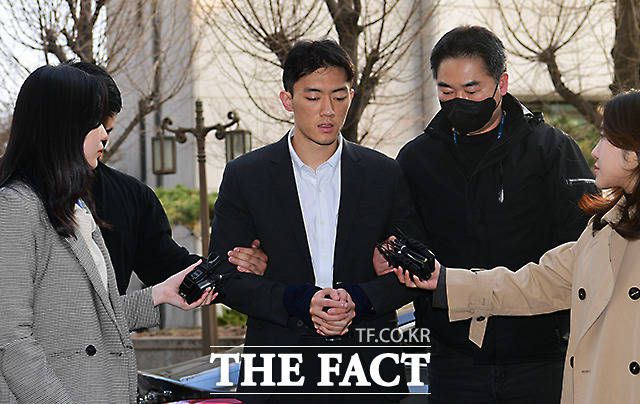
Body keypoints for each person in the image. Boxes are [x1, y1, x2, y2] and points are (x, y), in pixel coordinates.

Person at [207, 39, 426, 403]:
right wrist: (298, 301)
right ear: (287, 99)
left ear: (351, 97)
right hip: (278, 371)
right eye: (313, 97)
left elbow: (417, 269)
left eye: (339, 97)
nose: (328, 110)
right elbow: (224, 276)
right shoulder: (246, 176)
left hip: (368, 371)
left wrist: (360, 299)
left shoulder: (383, 174)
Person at [392, 89, 640, 404]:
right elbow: (536, 283)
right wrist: (444, 281)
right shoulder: (604, 228)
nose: (594, 150)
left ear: (633, 152)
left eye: (605, 138)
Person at [390, 26, 596, 403]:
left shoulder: (551, 150)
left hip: (540, 358)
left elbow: (584, 249)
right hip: (454, 361)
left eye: (472, 91)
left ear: (501, 84)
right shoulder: (417, 159)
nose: (459, 102)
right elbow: (404, 241)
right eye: (446, 92)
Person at [0, 64, 215, 403]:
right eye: (94, 122)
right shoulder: (16, 207)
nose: (104, 134)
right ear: (61, 126)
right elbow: (10, 341)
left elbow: (87, 321)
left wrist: (159, 294)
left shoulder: (76, 208)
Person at [68, 62, 267, 294]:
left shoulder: (130, 196)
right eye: (94, 126)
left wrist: (236, 268)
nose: (104, 137)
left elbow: (169, 268)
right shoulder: (30, 198)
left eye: (108, 130)